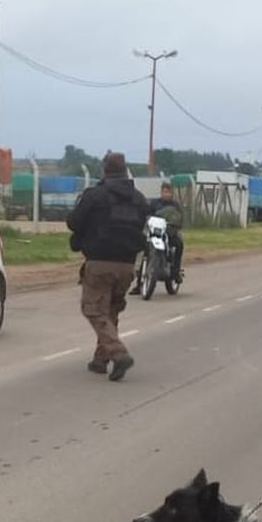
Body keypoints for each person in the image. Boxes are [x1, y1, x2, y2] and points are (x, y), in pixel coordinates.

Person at [67, 151, 148, 381]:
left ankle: (118, 354)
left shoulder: (95, 196)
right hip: (128, 265)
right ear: (125, 171)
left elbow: (74, 222)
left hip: (99, 263)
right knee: (111, 309)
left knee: (93, 309)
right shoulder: (139, 199)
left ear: (104, 170)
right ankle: (101, 359)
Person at [131, 181, 186, 294]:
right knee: (146, 252)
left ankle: (175, 272)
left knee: (179, 244)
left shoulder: (175, 206)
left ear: (172, 193)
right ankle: (139, 284)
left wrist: (175, 226)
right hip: (154, 233)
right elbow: (146, 214)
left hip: (169, 233)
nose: (166, 194)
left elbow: (180, 219)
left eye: (168, 192)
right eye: (164, 191)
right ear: (161, 192)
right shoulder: (154, 204)